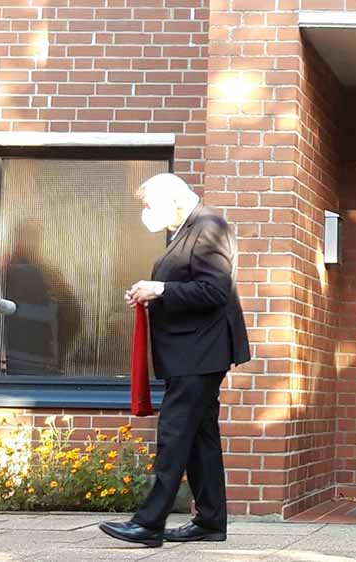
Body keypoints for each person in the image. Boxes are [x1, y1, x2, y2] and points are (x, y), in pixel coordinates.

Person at [99, 173, 250, 547]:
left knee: (174, 434)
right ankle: (211, 522)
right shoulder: (187, 228)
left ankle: (149, 523)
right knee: (200, 438)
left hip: (200, 352)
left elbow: (215, 290)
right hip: (193, 350)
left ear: (174, 199)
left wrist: (160, 289)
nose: (146, 214)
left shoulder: (208, 226)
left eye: (149, 205)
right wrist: (153, 292)